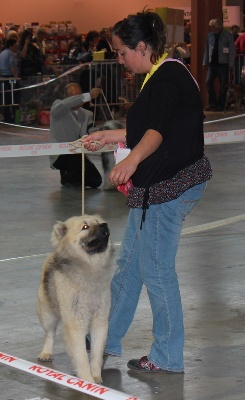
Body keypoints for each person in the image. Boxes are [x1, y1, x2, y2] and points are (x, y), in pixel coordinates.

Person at [80, 9, 212, 373]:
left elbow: (156, 133)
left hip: (169, 188)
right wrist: (110, 136)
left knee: (155, 270)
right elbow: (150, 126)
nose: (120, 60)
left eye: (123, 53)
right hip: (155, 189)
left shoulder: (168, 78)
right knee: (132, 266)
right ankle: (105, 338)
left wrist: (131, 162)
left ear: (142, 46)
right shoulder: (159, 76)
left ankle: (167, 356)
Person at [50, 83, 102, 188]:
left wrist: (101, 134)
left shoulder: (87, 114)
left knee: (96, 181)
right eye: (74, 97)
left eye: (79, 96)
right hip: (61, 155)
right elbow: (65, 104)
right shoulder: (58, 108)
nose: (78, 100)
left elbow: (91, 129)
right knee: (74, 160)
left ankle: (70, 175)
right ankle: (68, 177)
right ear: (65, 97)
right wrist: (88, 96)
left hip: (79, 154)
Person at [203, 18, 235, 111]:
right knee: (208, 82)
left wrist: (231, 64)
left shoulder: (228, 35)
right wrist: (205, 62)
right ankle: (212, 103)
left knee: (223, 85)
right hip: (212, 64)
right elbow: (207, 49)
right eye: (211, 27)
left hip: (223, 64)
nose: (212, 29)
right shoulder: (209, 36)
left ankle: (221, 105)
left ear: (219, 27)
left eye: (213, 27)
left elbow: (232, 50)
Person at [0, 38, 19, 122]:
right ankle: (14, 116)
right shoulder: (11, 54)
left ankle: (6, 115)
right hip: (10, 77)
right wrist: (15, 76)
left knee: (5, 97)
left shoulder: (2, 53)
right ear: (11, 46)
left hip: (3, 77)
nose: (16, 47)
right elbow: (12, 65)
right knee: (14, 97)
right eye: (15, 45)